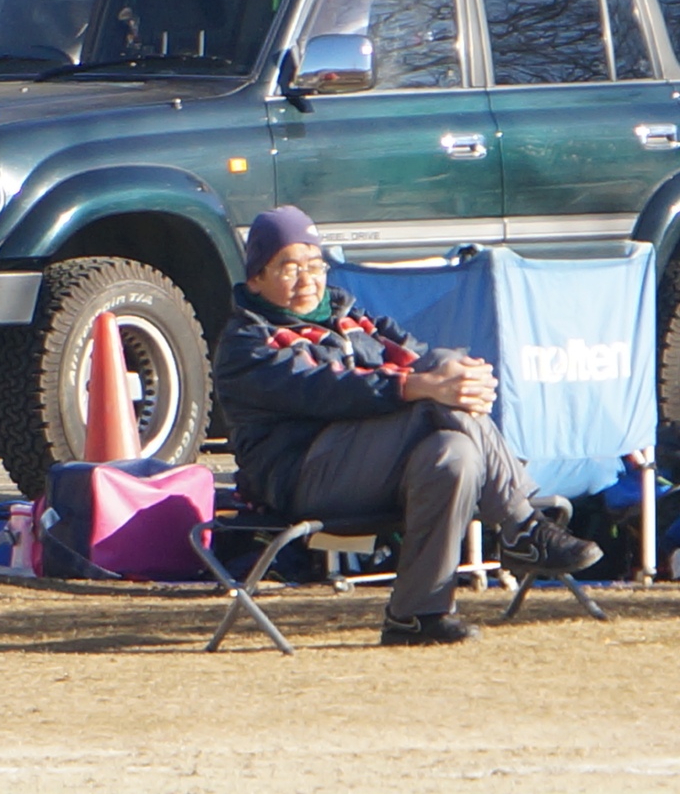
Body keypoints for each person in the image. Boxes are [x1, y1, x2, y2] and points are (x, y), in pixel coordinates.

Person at [213, 206, 603, 646]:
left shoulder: (352, 318)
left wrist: (463, 376)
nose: (307, 279)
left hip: (377, 467)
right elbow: (328, 390)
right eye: (289, 268)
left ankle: (418, 616)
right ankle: (521, 525)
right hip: (303, 476)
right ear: (256, 279)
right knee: (434, 392)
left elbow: (419, 358)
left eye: (315, 265)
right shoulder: (248, 342)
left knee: (453, 454)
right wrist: (423, 385)